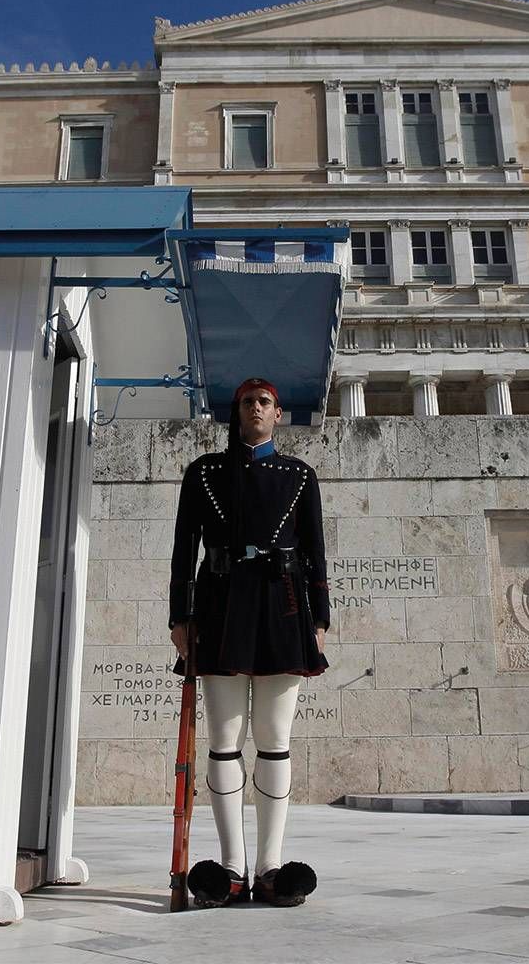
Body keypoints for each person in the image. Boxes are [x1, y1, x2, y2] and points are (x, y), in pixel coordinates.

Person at [168, 378, 329, 908]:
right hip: (221, 604)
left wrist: (320, 619)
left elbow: (316, 552)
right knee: (225, 736)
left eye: (264, 402)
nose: (255, 408)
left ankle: (270, 865)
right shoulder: (204, 472)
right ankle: (232, 866)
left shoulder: (299, 475)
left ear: (278, 414)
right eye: (247, 402)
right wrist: (180, 617)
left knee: (275, 736)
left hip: (284, 605)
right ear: (236, 412)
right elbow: (184, 549)